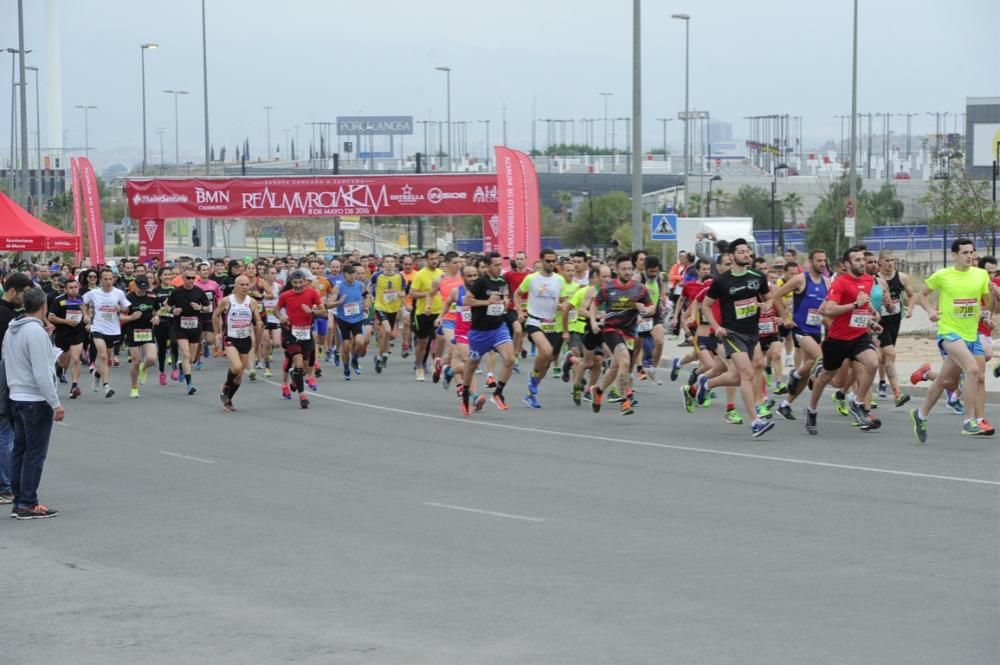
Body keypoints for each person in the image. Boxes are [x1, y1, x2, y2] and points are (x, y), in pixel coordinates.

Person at [910, 239, 998, 441]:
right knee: (973, 370)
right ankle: (969, 422)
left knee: (944, 380)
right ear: (954, 255)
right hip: (949, 332)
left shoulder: (981, 275)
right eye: (965, 252)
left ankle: (920, 414)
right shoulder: (943, 275)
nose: (969, 256)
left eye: (972, 252)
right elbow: (921, 295)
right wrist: (931, 311)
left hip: (971, 333)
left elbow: (986, 304)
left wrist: (989, 308)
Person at [697, 238, 776, 437]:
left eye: (748, 251)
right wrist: (716, 326)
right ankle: (755, 421)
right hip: (732, 333)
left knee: (736, 377)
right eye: (741, 252)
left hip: (752, 333)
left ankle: (707, 383)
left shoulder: (758, 276)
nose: (746, 255)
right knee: (747, 374)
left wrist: (768, 305)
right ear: (732, 256)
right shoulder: (722, 281)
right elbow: (706, 305)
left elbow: (769, 299)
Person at [803, 246, 882, 435]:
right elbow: (828, 310)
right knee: (828, 378)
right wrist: (855, 304)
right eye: (857, 260)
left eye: (863, 259)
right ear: (847, 264)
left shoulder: (869, 280)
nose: (862, 263)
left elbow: (862, 302)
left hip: (860, 335)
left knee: (873, 363)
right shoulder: (840, 283)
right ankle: (812, 410)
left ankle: (858, 402)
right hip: (838, 339)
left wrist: (871, 316)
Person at [4, 287, 65, 519]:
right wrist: (55, 403)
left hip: (16, 396)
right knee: (34, 454)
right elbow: (42, 373)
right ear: (44, 307)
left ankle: (20, 500)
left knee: (19, 451)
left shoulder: (13, 330)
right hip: (35, 400)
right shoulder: (36, 333)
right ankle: (28, 503)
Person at [0, 272, 33, 505]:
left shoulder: (10, 313)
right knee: (5, 431)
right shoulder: (6, 316)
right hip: (4, 378)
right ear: (12, 291)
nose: (25, 298)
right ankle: (5, 486)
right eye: (24, 294)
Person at [213, 275, 262, 411]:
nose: (245, 287)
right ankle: (226, 386)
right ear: (236, 286)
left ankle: (228, 400)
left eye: (247, 285)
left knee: (239, 375)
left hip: (245, 338)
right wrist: (217, 333)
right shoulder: (227, 300)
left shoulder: (251, 301)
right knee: (237, 366)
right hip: (231, 338)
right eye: (242, 285)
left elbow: (257, 318)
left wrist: (258, 323)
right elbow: (215, 315)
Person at [277, 270, 325, 408]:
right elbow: (276, 309)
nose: (298, 285)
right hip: (290, 332)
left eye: (300, 282)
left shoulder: (312, 293)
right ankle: (302, 396)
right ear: (291, 283)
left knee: (303, 369)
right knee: (297, 360)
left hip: (306, 332)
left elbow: (323, 311)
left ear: (304, 281)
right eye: (295, 283)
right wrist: (281, 317)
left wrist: (312, 312)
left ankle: (295, 378)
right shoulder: (285, 295)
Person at [82, 268, 131, 398]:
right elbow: (83, 302)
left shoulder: (119, 293)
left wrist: (120, 308)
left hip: (113, 329)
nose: (108, 282)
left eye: (110, 279)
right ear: (100, 280)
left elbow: (126, 307)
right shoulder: (93, 293)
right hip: (97, 328)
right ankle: (106, 386)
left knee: (108, 358)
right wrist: (86, 315)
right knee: (102, 356)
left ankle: (97, 374)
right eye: (105, 279)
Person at [48, 277, 87, 399]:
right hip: (62, 334)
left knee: (76, 359)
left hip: (77, 333)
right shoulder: (58, 300)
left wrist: (87, 318)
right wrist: (66, 322)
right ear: (65, 289)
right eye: (71, 288)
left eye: (76, 287)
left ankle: (74, 386)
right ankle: (59, 368)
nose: (74, 290)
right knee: (63, 361)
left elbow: (86, 312)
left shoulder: (81, 299)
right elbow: (51, 317)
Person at [122, 275, 160, 399]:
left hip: (148, 331)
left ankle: (144, 368)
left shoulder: (152, 297)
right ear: (135, 285)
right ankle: (134, 387)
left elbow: (159, 310)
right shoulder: (128, 298)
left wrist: (157, 316)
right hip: (133, 331)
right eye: (140, 288)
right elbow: (120, 316)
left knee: (152, 358)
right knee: (136, 362)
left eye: (145, 288)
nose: (142, 290)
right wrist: (130, 317)